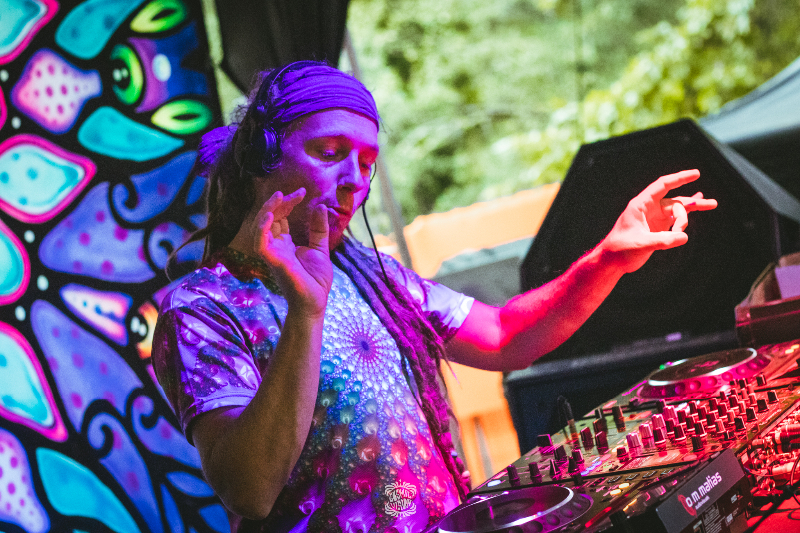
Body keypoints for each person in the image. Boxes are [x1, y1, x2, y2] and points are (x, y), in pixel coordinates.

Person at [152, 61, 717, 533]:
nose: (354, 180)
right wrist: (306, 312)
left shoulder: (368, 273)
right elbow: (249, 491)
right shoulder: (202, 309)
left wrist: (610, 257)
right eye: (329, 151)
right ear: (261, 159)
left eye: (367, 163)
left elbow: (504, 336)